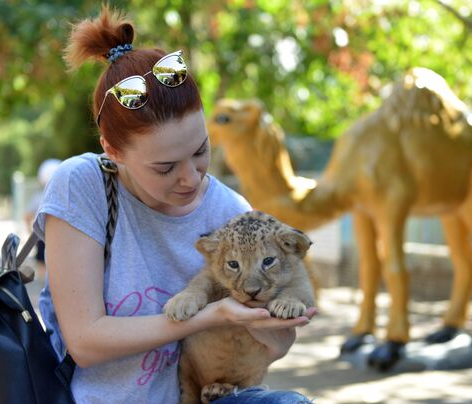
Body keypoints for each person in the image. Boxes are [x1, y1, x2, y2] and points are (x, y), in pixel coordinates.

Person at [33, 6, 316, 404]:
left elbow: (278, 346)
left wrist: (280, 313)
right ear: (113, 151)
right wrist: (209, 316)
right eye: (165, 167)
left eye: (201, 151)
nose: (192, 177)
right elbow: (85, 341)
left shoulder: (230, 210)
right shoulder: (82, 185)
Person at [24, 158, 62, 278]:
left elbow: (27, 216)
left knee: (42, 266)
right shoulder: (64, 198)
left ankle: (45, 289)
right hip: (59, 237)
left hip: (41, 237)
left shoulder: (38, 197)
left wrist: (31, 232)